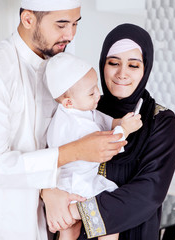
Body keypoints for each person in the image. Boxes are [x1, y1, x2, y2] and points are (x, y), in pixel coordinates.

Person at [0, 1, 127, 239]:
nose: (70, 34)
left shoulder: (56, 71)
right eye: (61, 25)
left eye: (75, 24)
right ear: (28, 19)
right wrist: (76, 151)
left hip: (41, 217)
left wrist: (49, 189)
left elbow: (47, 141)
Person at [43, 23, 175, 240]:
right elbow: (45, 158)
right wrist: (47, 193)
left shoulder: (160, 120)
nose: (121, 73)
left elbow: (148, 192)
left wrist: (77, 211)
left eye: (133, 66)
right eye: (113, 63)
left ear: (146, 69)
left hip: (131, 232)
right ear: (102, 64)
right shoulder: (81, 108)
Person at [45, 52, 143, 240]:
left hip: (67, 181)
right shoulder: (77, 125)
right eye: (91, 93)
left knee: (70, 230)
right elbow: (106, 144)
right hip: (78, 182)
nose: (98, 94)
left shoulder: (74, 110)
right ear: (68, 101)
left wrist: (119, 122)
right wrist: (126, 130)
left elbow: (103, 120)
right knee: (110, 216)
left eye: (96, 87)